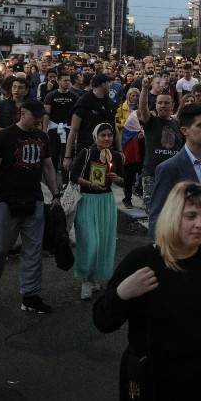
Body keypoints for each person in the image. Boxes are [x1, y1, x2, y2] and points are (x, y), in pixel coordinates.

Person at [93, 181, 201, 401]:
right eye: (191, 216)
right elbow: (102, 320)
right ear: (172, 217)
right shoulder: (144, 261)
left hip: (200, 377)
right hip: (152, 379)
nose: (200, 224)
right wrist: (121, 294)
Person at [0, 100, 60, 313]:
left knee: (33, 251)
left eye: (41, 115)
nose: (39, 119)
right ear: (23, 113)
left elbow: (48, 167)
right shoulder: (4, 137)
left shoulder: (42, 137)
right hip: (6, 201)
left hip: (33, 200)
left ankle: (30, 295)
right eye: (35, 115)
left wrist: (56, 195)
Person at [147, 104, 201, 265]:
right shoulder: (169, 168)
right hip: (181, 249)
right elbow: (157, 214)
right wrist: (159, 255)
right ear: (185, 130)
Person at [70, 123, 122, 301]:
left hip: (106, 201)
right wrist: (89, 184)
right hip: (87, 201)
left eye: (109, 135)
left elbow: (124, 181)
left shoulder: (114, 156)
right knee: (89, 241)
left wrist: (118, 178)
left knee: (103, 242)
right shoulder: (86, 153)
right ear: (95, 136)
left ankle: (94, 277)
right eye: (103, 135)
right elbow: (73, 175)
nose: (107, 138)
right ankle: (85, 279)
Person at [138, 77, 184, 211]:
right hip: (152, 175)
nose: (163, 105)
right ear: (156, 105)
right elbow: (142, 108)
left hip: (173, 176)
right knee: (154, 213)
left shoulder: (178, 124)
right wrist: (145, 89)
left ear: (172, 105)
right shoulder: (151, 121)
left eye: (166, 103)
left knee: (172, 215)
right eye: (160, 103)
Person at [64, 73, 118, 173]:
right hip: (86, 151)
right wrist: (68, 156)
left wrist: (119, 151)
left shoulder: (109, 103)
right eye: (109, 83)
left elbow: (115, 128)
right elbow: (73, 130)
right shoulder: (84, 102)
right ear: (103, 84)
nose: (110, 85)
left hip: (107, 152)